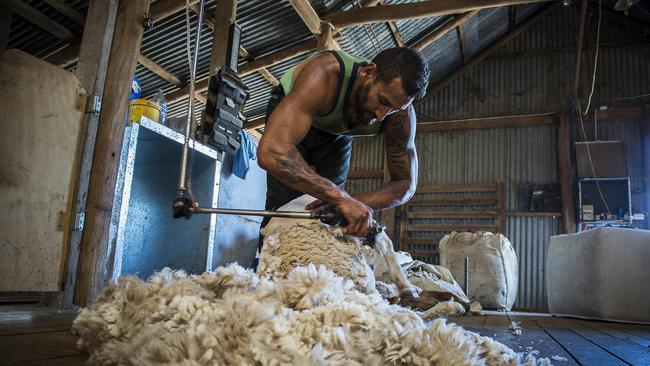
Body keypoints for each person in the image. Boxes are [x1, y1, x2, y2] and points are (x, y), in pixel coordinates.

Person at [257, 47, 430, 237]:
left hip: (338, 133)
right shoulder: (324, 73)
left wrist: (353, 202)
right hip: (295, 115)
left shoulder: (401, 115)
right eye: (383, 101)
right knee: (283, 207)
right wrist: (340, 197)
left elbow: (406, 184)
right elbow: (271, 151)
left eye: (394, 109)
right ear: (368, 72)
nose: (382, 116)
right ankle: (267, 261)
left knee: (329, 214)